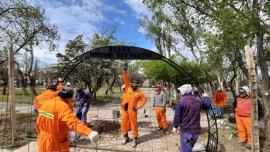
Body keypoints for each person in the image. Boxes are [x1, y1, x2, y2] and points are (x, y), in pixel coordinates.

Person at [36, 87, 99, 152]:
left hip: (42, 139)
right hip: (55, 143)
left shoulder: (46, 103)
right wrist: (88, 132)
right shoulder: (62, 107)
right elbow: (73, 121)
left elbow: (38, 123)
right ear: (69, 98)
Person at [173, 84, 210, 152]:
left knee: (186, 150)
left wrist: (175, 126)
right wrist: (207, 97)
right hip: (196, 130)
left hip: (186, 130)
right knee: (189, 147)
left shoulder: (181, 101)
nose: (180, 92)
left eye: (181, 90)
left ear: (184, 91)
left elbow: (177, 115)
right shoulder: (198, 100)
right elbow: (207, 106)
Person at [121, 63, 147, 148]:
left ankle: (135, 139)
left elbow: (144, 100)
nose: (135, 84)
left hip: (133, 110)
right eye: (133, 82)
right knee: (123, 123)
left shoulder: (139, 92)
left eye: (136, 83)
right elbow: (125, 78)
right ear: (131, 83)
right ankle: (125, 137)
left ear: (138, 84)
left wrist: (138, 107)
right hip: (124, 109)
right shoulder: (128, 87)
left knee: (133, 124)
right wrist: (125, 70)